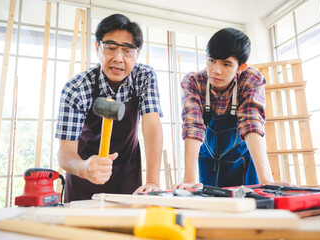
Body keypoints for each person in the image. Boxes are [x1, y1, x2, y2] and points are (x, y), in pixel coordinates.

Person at [56, 14, 163, 202]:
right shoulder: (76, 88)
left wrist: (153, 181)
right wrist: (84, 167)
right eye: (111, 48)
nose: (118, 58)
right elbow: (65, 153)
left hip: (129, 176)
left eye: (127, 50)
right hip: (85, 178)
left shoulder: (144, 77)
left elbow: (152, 125)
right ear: (97, 47)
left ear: (137, 53)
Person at [175, 28, 278, 190]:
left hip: (244, 160)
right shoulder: (194, 82)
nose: (215, 70)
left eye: (226, 64)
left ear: (241, 67)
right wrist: (188, 179)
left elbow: (251, 123)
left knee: (252, 203)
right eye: (212, 60)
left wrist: (266, 179)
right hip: (209, 163)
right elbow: (192, 126)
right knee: (212, 207)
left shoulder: (251, 79)